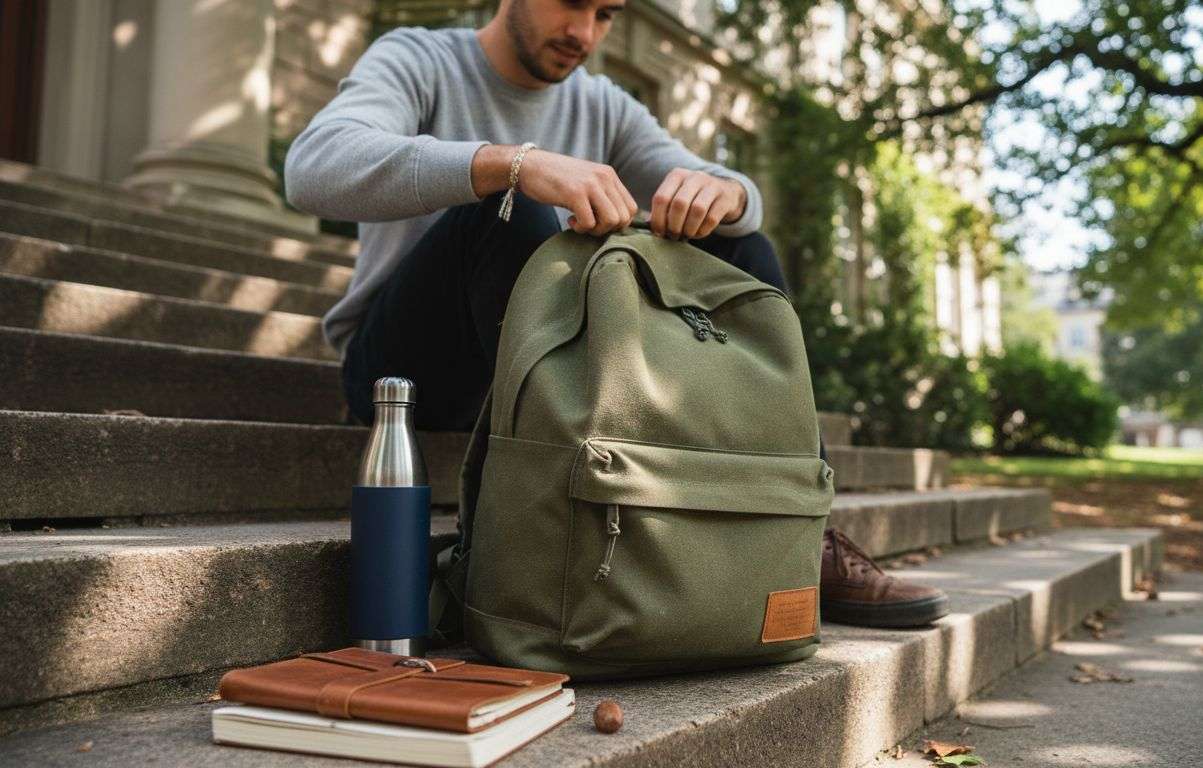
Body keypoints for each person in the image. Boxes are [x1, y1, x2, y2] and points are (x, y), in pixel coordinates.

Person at [284, 0, 948, 628]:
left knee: (741, 244)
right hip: (409, 375)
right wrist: (513, 165)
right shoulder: (420, 58)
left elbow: (728, 193)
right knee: (509, 210)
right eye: (573, 3)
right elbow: (313, 166)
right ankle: (591, 522)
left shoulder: (602, 103)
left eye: (606, 13)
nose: (586, 32)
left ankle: (799, 528)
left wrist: (724, 190)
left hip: (549, 373)